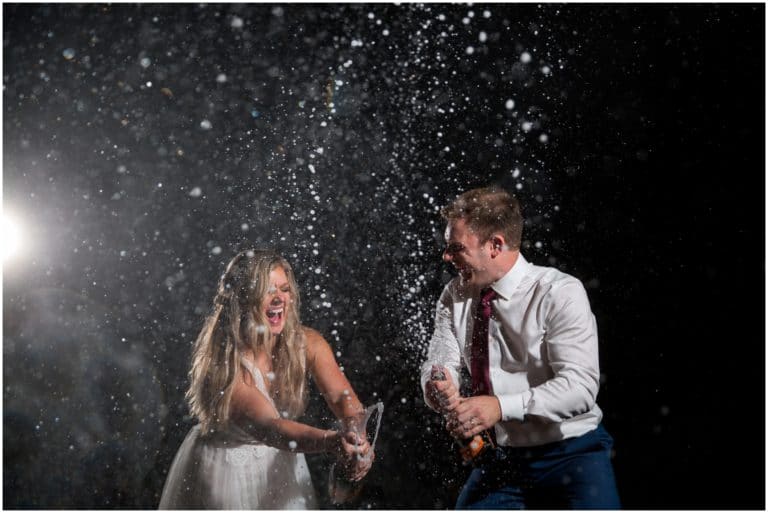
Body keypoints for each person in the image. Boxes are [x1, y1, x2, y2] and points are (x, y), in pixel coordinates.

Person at [421, 186, 620, 509]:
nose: (446, 257)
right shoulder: (453, 294)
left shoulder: (560, 292)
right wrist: (438, 382)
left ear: (495, 245)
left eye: (456, 248)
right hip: (502, 462)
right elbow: (440, 359)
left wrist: (499, 406)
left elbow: (581, 389)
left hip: (572, 454)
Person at [159, 249, 372, 509]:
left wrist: (356, 435)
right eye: (268, 290)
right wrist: (332, 442)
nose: (279, 299)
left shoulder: (308, 343)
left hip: (281, 464)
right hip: (227, 473)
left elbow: (342, 397)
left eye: (284, 289)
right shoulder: (226, 366)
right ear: (244, 299)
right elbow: (272, 428)